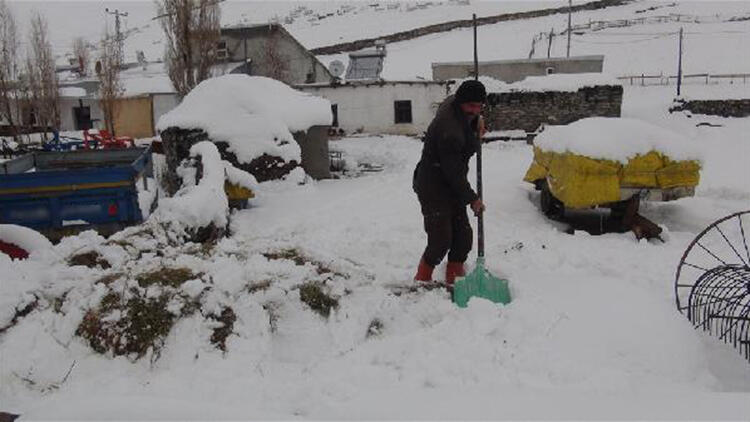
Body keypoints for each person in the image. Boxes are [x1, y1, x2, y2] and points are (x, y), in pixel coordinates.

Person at [412, 79, 487, 284]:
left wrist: (475, 122)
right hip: (433, 186)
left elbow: (469, 115)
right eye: (471, 106)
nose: (475, 110)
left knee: (463, 238)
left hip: (452, 185)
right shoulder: (449, 131)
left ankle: (454, 279)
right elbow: (452, 172)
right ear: (461, 102)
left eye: (479, 106)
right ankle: (422, 279)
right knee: (440, 241)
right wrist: (472, 199)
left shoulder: (456, 105)